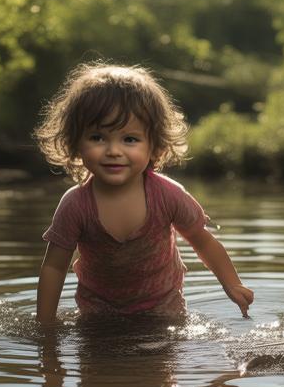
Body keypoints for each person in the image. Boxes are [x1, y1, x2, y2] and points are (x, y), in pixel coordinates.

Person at [33, 63, 254, 324]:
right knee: (96, 367)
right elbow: (54, 267)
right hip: (98, 318)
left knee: (157, 366)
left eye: (129, 139)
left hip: (165, 314)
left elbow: (202, 240)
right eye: (97, 137)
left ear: (155, 144)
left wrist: (231, 284)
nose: (114, 150)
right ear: (75, 143)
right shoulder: (76, 205)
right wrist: (44, 326)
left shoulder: (167, 195)